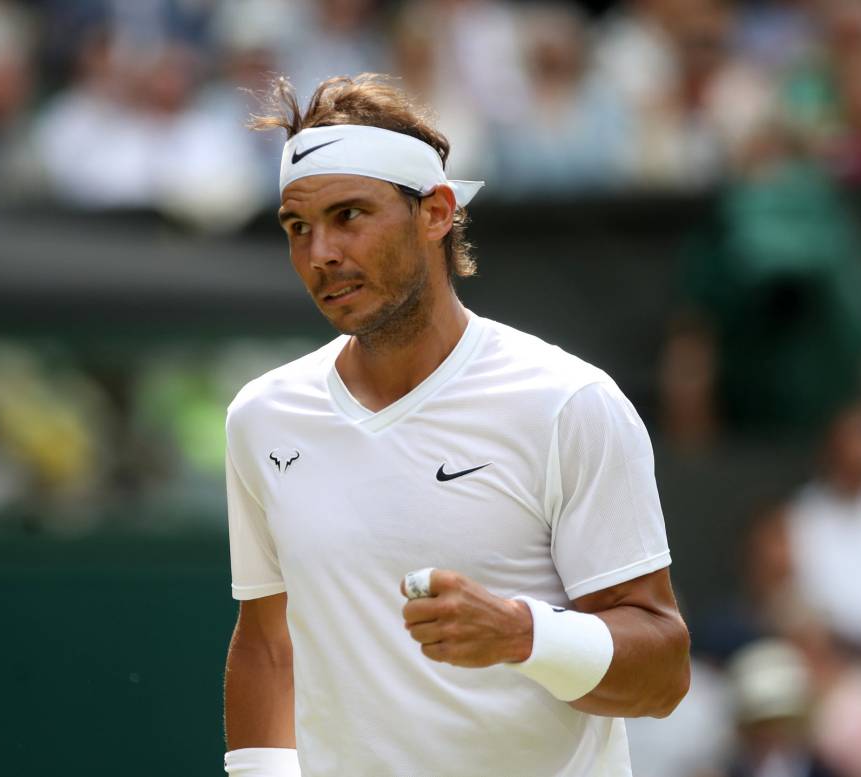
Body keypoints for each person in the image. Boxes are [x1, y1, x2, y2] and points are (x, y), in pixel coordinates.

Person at [222, 74, 691, 777]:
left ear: (436, 212)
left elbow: (662, 673)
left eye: (350, 215)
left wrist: (522, 634)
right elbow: (268, 644)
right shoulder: (262, 418)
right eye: (298, 227)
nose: (320, 252)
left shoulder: (569, 402)